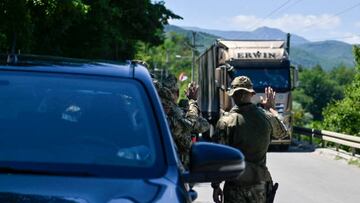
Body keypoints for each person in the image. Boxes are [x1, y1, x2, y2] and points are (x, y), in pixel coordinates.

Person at [211, 76, 287, 203]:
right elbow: (283, 133)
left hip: (235, 183)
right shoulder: (266, 117)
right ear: (251, 94)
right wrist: (271, 109)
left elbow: (219, 158)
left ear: (232, 95)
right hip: (259, 184)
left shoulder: (225, 122)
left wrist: (216, 185)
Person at [154, 74, 210, 165]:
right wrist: (192, 101)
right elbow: (196, 124)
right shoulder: (174, 116)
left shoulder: (150, 113)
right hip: (175, 166)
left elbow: (203, 124)